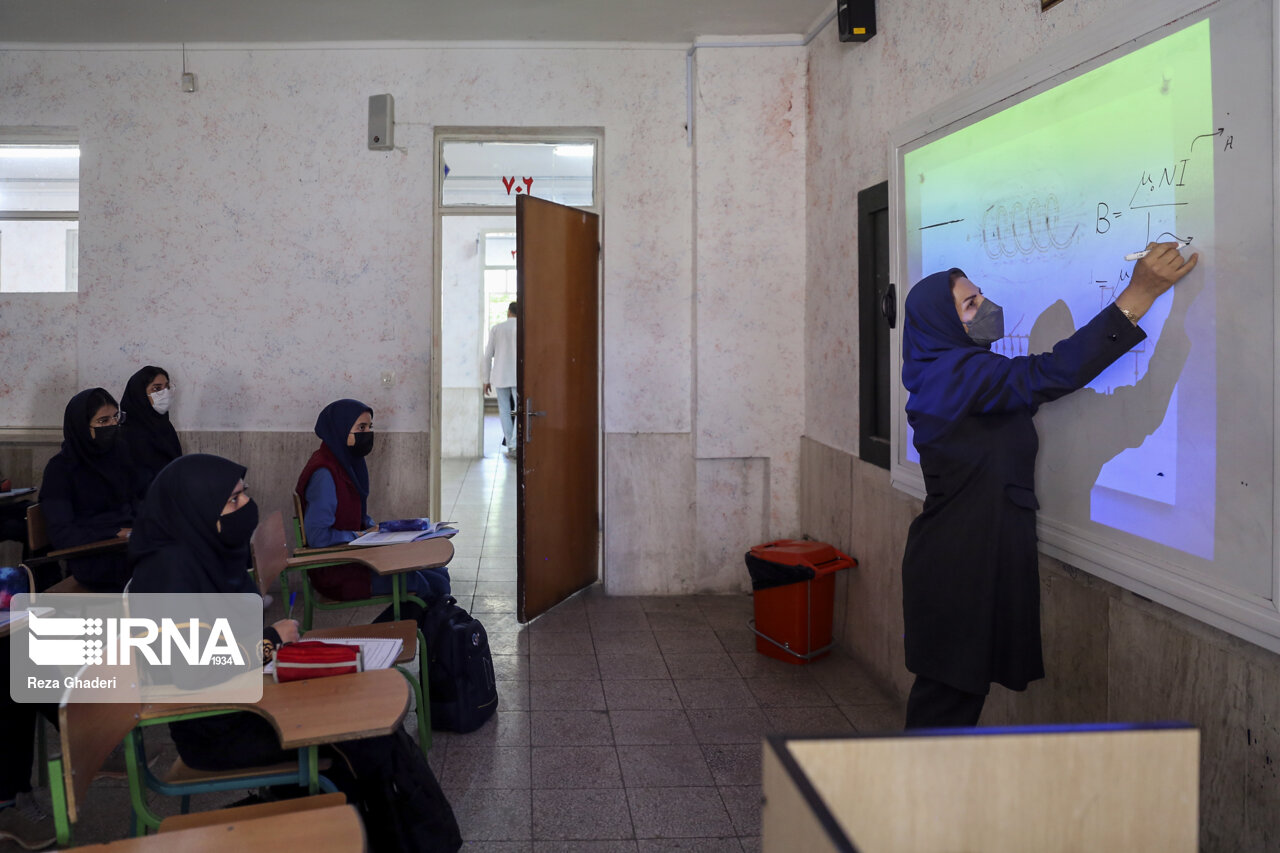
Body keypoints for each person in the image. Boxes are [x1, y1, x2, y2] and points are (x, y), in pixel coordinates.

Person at [899, 242, 1199, 729]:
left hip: (962, 553)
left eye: (980, 295)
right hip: (961, 563)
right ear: (942, 324)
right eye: (970, 305)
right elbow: (1054, 371)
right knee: (946, 704)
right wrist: (1140, 294)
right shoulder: (958, 375)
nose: (987, 307)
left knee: (950, 699)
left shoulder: (944, 373)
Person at [127, 454, 462, 853]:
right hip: (215, 726)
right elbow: (192, 669)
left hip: (249, 695)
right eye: (232, 501)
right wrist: (269, 640)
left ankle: (398, 837)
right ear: (196, 507)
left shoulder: (205, 551)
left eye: (244, 494)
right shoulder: (166, 575)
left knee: (372, 725)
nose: (245, 506)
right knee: (365, 737)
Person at [296, 399, 449, 602]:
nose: (368, 433)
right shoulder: (325, 473)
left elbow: (354, 513)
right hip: (337, 571)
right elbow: (317, 536)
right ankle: (424, 621)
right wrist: (361, 535)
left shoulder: (346, 462)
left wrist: (378, 530)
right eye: (361, 428)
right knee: (422, 582)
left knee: (439, 574)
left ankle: (430, 619)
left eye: (370, 427)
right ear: (340, 429)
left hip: (358, 558)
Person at [39, 388, 140, 592]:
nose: (113, 425)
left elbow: (137, 499)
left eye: (115, 417)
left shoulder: (119, 454)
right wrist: (113, 533)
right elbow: (62, 533)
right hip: (93, 554)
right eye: (103, 421)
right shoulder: (61, 469)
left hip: (130, 543)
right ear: (81, 427)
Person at [120, 365, 182, 496]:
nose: (165, 393)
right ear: (140, 394)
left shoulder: (165, 426)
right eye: (157, 389)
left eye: (167, 387)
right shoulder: (127, 435)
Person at [483, 301, 518, 458]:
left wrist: (486, 379)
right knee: (520, 410)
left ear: (508, 312)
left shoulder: (496, 329)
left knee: (504, 410)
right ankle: (515, 443)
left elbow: (487, 356)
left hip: (500, 375)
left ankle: (511, 445)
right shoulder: (524, 327)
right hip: (518, 376)